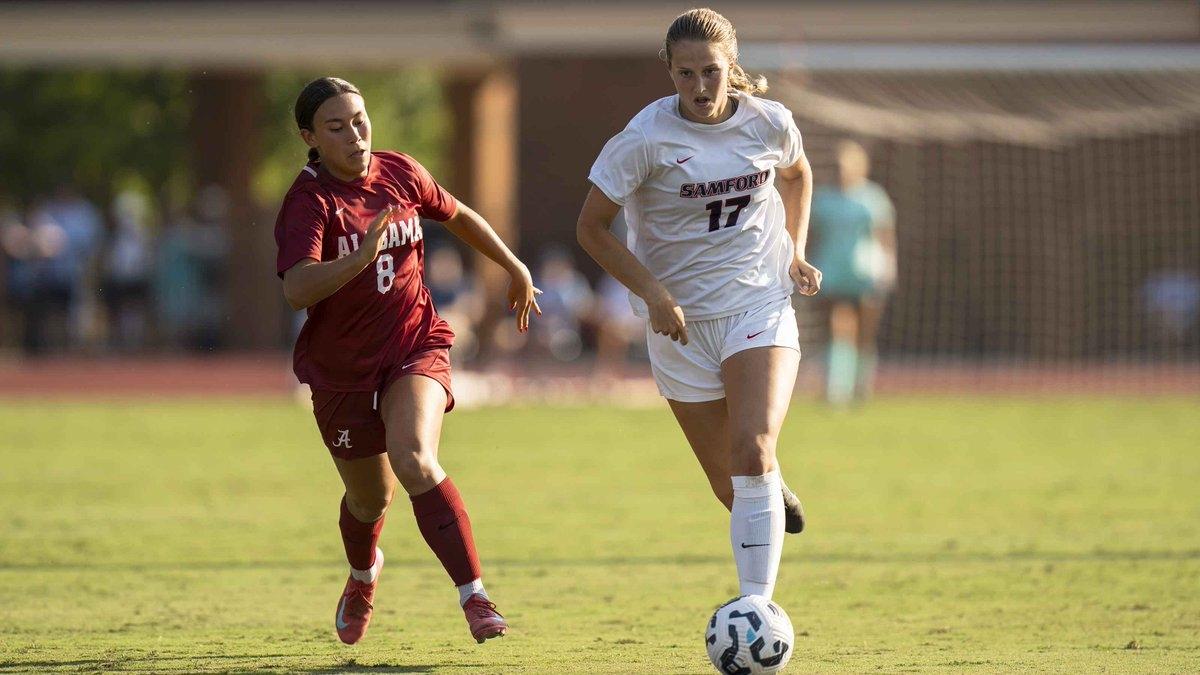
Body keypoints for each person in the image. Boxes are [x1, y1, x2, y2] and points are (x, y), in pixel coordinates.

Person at [273, 77, 540, 645]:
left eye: (361, 120)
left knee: (415, 458)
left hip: (413, 344)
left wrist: (514, 266)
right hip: (340, 369)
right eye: (337, 126)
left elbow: (458, 214)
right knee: (371, 500)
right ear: (310, 138)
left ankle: (475, 597)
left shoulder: (401, 172)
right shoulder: (309, 201)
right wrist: (361, 257)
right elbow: (298, 288)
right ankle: (363, 576)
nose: (356, 135)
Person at [576, 8, 819, 603]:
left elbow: (797, 175)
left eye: (711, 71)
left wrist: (796, 252)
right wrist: (653, 293)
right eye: (685, 74)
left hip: (757, 304)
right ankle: (768, 491)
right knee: (731, 484)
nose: (700, 87)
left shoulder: (769, 122)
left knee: (753, 448)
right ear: (669, 71)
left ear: (731, 66)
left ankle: (755, 609)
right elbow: (592, 229)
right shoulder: (644, 139)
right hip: (678, 325)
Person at [809, 141, 896, 405]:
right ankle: (835, 389)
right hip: (833, 272)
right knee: (837, 329)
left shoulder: (873, 198)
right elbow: (812, 236)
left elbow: (885, 236)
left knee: (865, 334)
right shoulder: (824, 199)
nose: (841, 170)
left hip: (866, 273)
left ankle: (862, 385)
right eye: (837, 166)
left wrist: (889, 268)